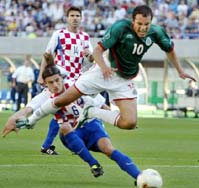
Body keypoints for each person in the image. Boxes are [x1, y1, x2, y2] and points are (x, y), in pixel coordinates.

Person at [11, 5, 196, 131]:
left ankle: (92, 112)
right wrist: (104, 68)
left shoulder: (156, 32)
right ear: (133, 21)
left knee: (129, 123)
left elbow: (170, 49)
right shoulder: (120, 28)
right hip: (102, 71)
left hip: (124, 79)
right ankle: (31, 121)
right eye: (139, 24)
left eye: (146, 24)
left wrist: (180, 70)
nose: (142, 28)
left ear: (151, 22)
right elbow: (98, 51)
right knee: (63, 99)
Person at [2, 66, 141, 181]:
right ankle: (94, 164)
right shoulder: (44, 97)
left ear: (62, 78)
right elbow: (27, 110)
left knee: (108, 149)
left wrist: (123, 119)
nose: (55, 85)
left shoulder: (78, 86)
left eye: (57, 80)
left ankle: (139, 177)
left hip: (92, 125)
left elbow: (102, 104)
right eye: (51, 82)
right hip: (71, 133)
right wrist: (13, 118)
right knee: (64, 126)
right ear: (45, 84)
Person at [38, 6, 94, 155]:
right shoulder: (59, 34)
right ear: (67, 18)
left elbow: (91, 60)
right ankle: (66, 144)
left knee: (66, 113)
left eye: (77, 15)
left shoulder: (85, 37)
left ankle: (51, 145)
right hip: (62, 78)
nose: (75, 18)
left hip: (77, 80)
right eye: (72, 15)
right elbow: (47, 54)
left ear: (81, 18)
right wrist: (41, 75)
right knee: (64, 111)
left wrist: (90, 55)